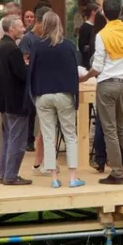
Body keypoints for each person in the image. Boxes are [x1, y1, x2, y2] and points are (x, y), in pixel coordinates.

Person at [81, 3, 123, 184]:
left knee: (109, 129)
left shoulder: (102, 35)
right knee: (122, 127)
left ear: (103, 15)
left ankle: (117, 172)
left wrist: (85, 77)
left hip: (107, 84)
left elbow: (98, 66)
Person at [28, 11, 85, 189]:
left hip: (43, 95)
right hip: (64, 94)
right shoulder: (67, 46)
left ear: (44, 24)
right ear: (59, 24)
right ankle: (73, 176)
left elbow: (31, 72)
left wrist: (33, 94)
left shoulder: (37, 46)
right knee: (70, 135)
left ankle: (53, 177)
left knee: (48, 136)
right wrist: (74, 96)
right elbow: (73, 73)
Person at [0, 15, 31, 185]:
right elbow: (21, 75)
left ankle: (4, 173)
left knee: (8, 138)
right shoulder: (13, 49)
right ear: (11, 29)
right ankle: (11, 175)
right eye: (20, 26)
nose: (23, 29)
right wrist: (27, 66)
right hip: (15, 100)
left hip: (2, 99)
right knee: (17, 139)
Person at [21, 6, 51, 155]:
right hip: (31, 80)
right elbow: (24, 60)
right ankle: (28, 140)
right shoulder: (28, 38)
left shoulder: (47, 38)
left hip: (45, 80)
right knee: (31, 112)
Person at [77, 1, 100, 66]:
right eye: (99, 11)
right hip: (88, 63)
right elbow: (82, 47)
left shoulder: (98, 26)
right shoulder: (85, 27)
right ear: (93, 12)